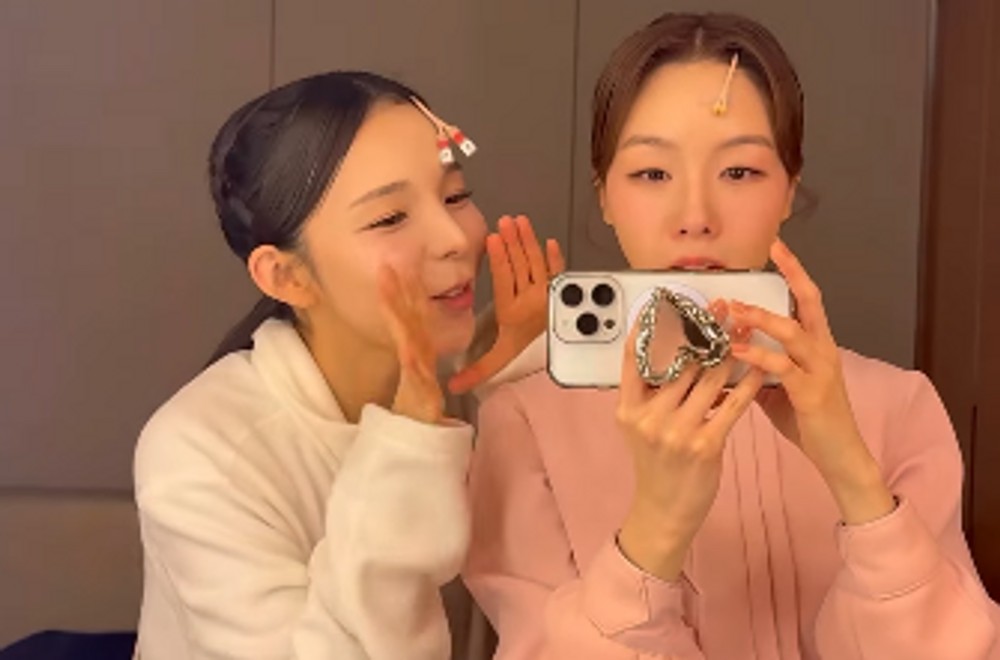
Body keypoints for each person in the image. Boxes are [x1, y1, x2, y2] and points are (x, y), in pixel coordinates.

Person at [464, 12, 1000, 659]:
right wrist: (654, 532)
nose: (695, 217)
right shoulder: (525, 425)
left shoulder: (898, 405)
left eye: (740, 172)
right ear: (604, 196)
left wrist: (855, 479)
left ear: (789, 188)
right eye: (652, 174)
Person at [133, 71, 561, 659]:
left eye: (455, 196)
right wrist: (409, 443)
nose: (455, 238)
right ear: (287, 276)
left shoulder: (481, 374)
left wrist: (532, 402)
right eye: (389, 219)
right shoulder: (200, 453)